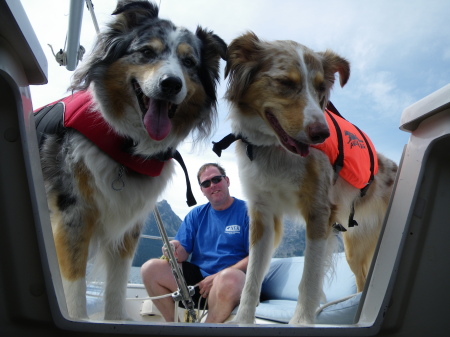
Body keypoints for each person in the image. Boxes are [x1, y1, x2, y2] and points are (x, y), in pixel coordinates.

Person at [141, 163, 249, 323]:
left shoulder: (249, 212)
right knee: (149, 269)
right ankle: (174, 327)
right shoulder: (195, 215)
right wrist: (174, 250)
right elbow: (182, 253)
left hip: (232, 283)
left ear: (227, 180)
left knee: (229, 278)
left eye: (216, 179)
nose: (212, 185)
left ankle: (204, 331)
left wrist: (217, 276)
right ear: (202, 190)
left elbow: (256, 257)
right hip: (199, 282)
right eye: (206, 183)